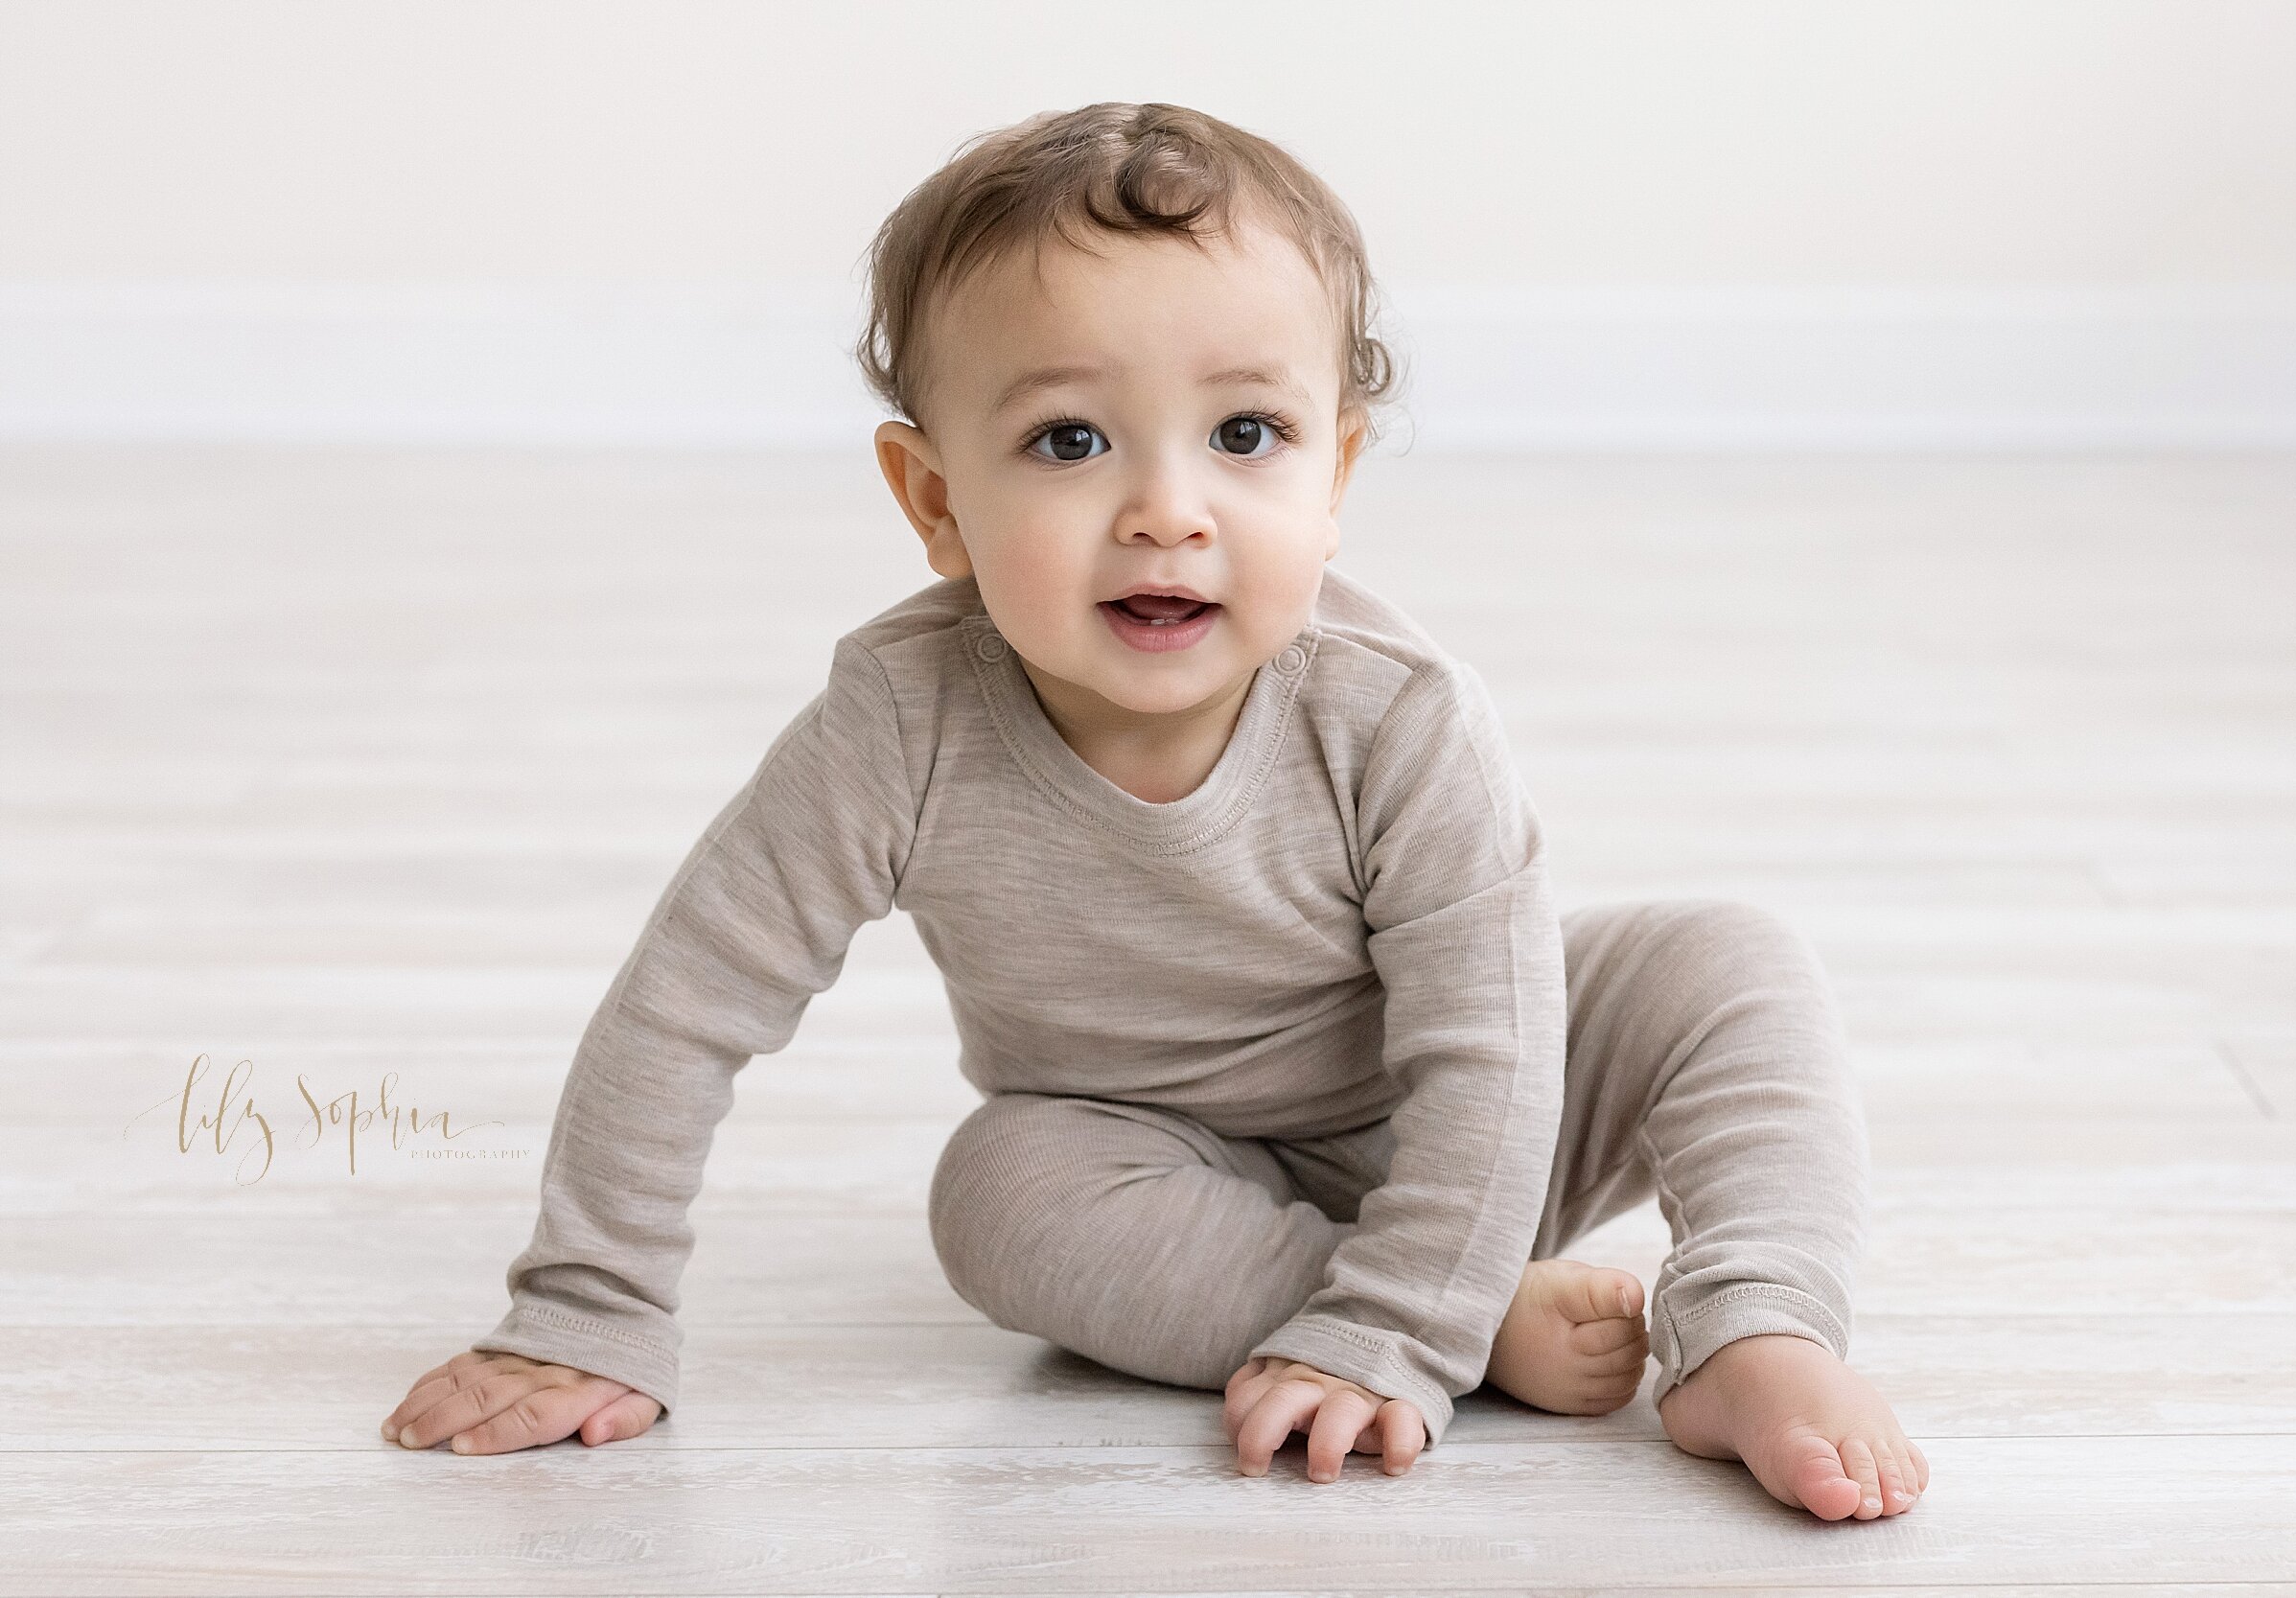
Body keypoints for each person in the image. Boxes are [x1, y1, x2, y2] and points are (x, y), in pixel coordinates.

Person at [381, 101, 1927, 1521]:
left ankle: (1752, 1327)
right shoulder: (895, 727)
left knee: (1724, 961)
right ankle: (1470, 1308)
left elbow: (1493, 1045)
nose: (1167, 508)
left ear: (1335, 477)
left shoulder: (1397, 713)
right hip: (1143, 1155)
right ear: (933, 505)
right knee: (999, 1196)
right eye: (1070, 441)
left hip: (1460, 1109)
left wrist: (1400, 1324)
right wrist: (588, 1301)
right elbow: (686, 1005)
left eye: (1246, 437)